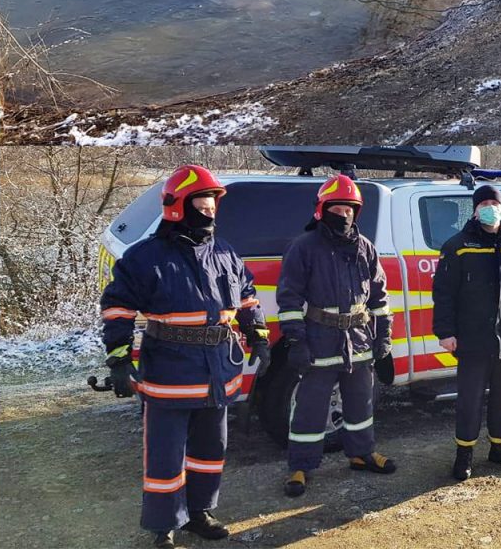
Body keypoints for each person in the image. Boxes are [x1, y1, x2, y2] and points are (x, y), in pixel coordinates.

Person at [99, 165, 268, 549]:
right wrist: (120, 360)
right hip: (170, 372)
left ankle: (200, 512)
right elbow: (117, 308)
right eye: (201, 201)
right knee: (165, 456)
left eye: (212, 202)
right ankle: (164, 526)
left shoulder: (224, 252)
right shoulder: (145, 257)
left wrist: (258, 337)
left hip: (218, 371)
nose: (209, 209)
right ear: (178, 205)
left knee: (211, 450)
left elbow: (247, 297)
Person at [276, 174, 396, 498]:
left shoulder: (365, 248)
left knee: (361, 404)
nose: (343, 215)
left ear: (356, 212)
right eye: (337, 208)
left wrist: (383, 338)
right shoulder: (304, 247)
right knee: (310, 408)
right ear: (321, 209)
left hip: (358, 340)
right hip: (319, 341)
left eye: (349, 209)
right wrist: (296, 341)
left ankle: (362, 453)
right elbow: (288, 299)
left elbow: (380, 298)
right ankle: (300, 466)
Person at [431, 184, 501, 481]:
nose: (490, 208)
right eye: (484, 204)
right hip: (471, 338)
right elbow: (443, 293)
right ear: (475, 209)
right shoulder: (458, 245)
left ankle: (500, 448)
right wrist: (445, 332)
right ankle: (464, 454)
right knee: (469, 400)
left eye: (495, 203)